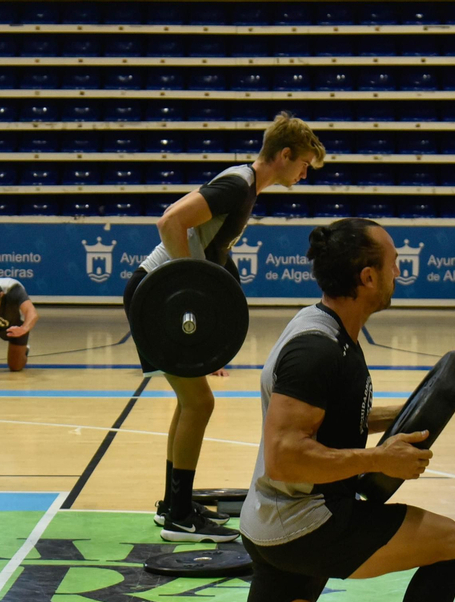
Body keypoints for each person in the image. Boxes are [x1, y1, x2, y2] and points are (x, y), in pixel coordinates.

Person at [82, 219, 455, 602]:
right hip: (307, 525)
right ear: (366, 277)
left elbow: (327, 417)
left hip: (275, 523)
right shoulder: (318, 351)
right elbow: (289, 455)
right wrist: (379, 460)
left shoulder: (325, 327)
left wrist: (397, 418)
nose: (400, 270)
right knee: (450, 543)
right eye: (393, 263)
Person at [124, 112, 325, 544]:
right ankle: (179, 517)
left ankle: (171, 504)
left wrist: (221, 291)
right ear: (285, 155)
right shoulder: (238, 185)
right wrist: (194, 288)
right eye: (304, 164)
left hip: (160, 296)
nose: (305, 174)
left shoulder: (246, 187)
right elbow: (171, 222)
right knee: (199, 404)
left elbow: (210, 246)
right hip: (156, 297)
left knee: (190, 401)